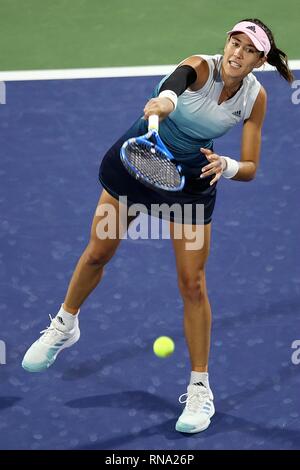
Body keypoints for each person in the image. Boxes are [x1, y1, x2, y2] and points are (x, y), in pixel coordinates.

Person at [22, 18, 293, 434]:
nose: (237, 53)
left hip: (192, 181)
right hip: (139, 160)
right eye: (233, 43)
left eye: (248, 49)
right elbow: (176, 81)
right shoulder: (201, 67)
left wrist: (228, 165)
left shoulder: (255, 99)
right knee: (98, 252)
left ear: (259, 60)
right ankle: (65, 325)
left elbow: (252, 166)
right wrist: (166, 101)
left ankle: (201, 390)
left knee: (192, 284)